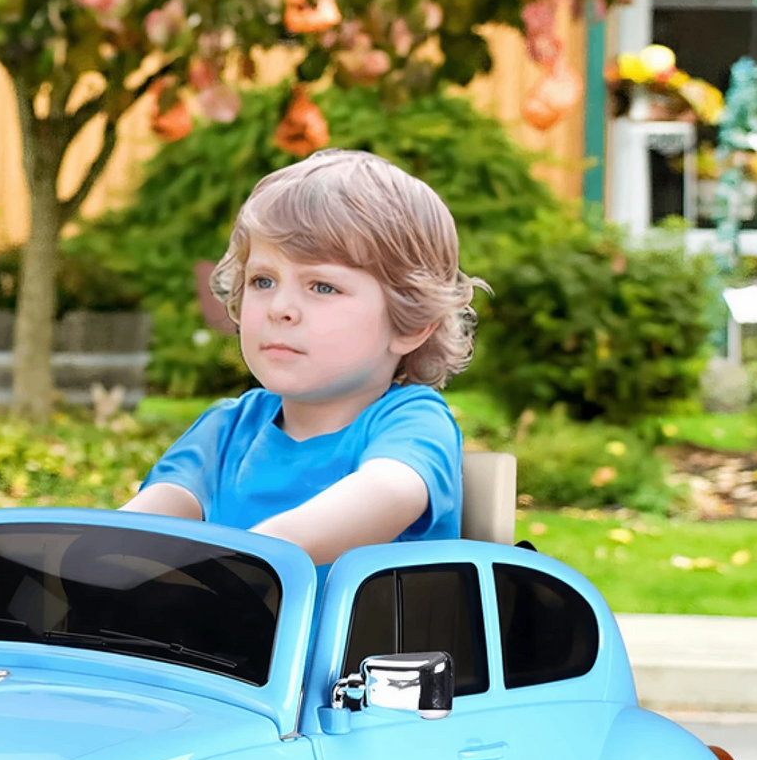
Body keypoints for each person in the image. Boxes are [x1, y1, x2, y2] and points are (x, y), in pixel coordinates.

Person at [121, 148, 485, 570]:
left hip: (360, 638)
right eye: (262, 280)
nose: (280, 307)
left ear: (411, 325)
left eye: (323, 287)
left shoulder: (410, 422)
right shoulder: (225, 432)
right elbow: (137, 530)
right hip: (224, 634)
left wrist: (242, 562)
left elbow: (388, 492)